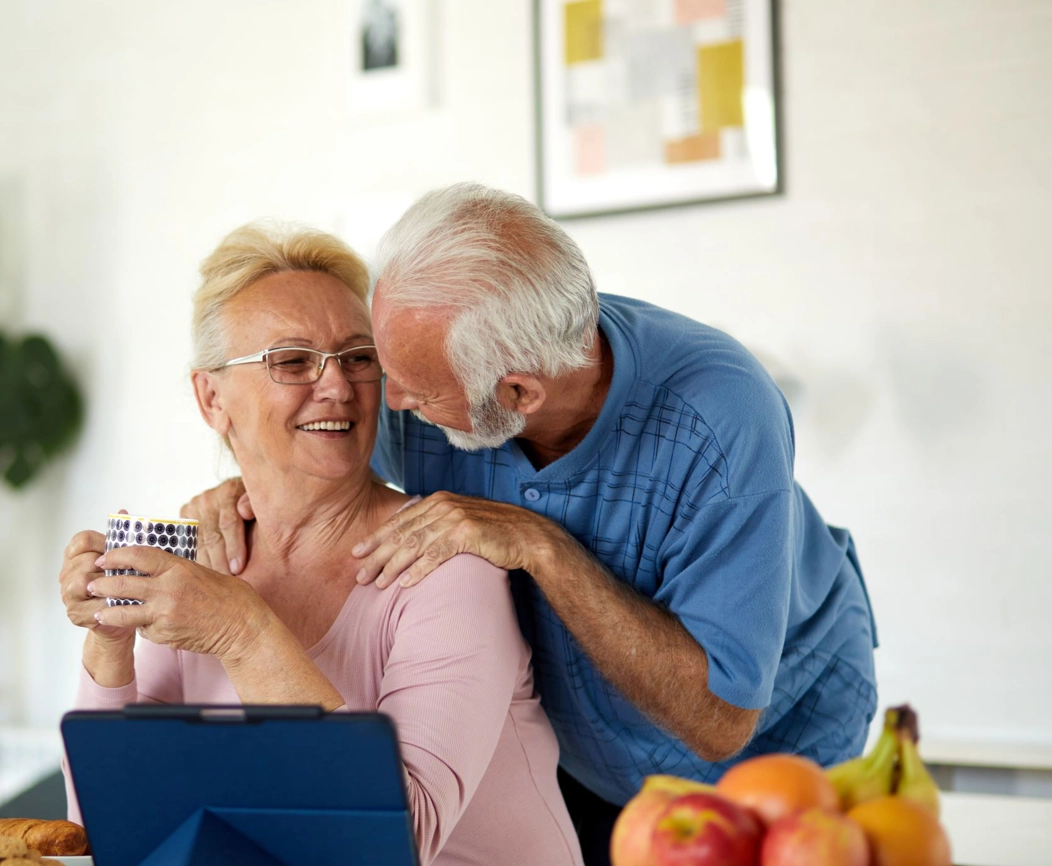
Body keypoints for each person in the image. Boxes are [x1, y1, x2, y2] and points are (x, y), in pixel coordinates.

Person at [184, 184, 879, 865]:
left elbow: (719, 720)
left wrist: (542, 545)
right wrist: (242, 486)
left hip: (774, 745)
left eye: (415, 393)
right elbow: (318, 437)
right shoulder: (426, 369)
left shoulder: (720, 418)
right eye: (379, 363)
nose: (384, 398)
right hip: (585, 750)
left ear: (516, 394)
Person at [56, 222, 584, 866]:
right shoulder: (200, 564)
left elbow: (396, 842)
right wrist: (110, 642)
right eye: (292, 360)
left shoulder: (447, 568)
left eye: (358, 357)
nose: (337, 387)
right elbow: (112, 831)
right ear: (211, 398)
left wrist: (244, 632)